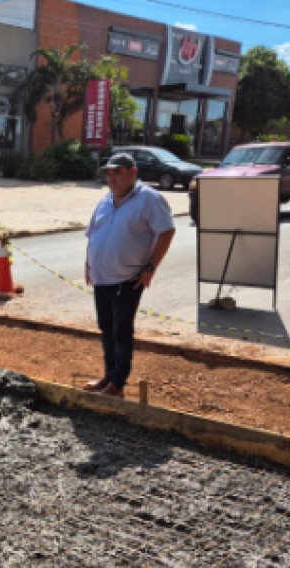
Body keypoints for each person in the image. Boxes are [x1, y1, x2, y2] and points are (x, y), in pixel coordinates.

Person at [84, 153, 176, 398]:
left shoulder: (149, 199)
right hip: (102, 277)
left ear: (133, 172)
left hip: (127, 279)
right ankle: (108, 375)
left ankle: (118, 383)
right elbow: (93, 234)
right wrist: (88, 263)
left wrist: (150, 268)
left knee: (121, 330)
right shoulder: (104, 201)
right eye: (109, 173)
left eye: (118, 172)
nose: (111, 178)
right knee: (106, 328)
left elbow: (167, 231)